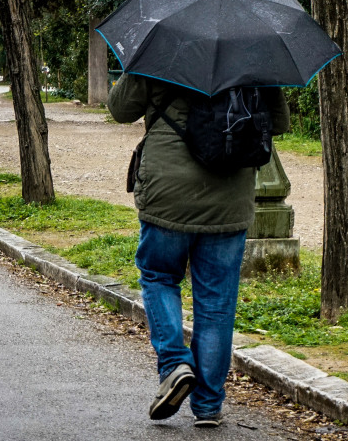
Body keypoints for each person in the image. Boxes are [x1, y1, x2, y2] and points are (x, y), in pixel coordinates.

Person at [108, 73, 290, 427]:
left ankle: (175, 363)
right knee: (217, 302)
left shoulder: (161, 51)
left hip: (167, 192)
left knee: (160, 276)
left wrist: (136, 69)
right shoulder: (253, 55)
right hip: (230, 194)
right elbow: (278, 122)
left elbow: (120, 110)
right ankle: (207, 406)